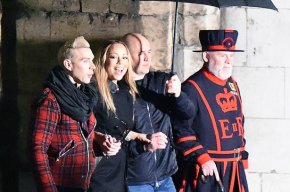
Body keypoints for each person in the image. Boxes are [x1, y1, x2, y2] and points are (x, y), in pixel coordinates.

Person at [173, 29, 249, 192]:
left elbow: (239, 121)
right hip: (208, 169)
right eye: (222, 56)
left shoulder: (232, 84)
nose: (229, 61)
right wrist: (202, 157)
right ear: (206, 56)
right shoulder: (191, 88)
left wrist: (243, 155)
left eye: (232, 56)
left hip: (235, 169)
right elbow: (180, 129)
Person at [123, 33, 194, 192]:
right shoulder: (118, 89)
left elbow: (188, 114)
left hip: (165, 175)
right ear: (126, 55)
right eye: (140, 53)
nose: (146, 57)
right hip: (136, 180)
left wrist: (178, 95)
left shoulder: (161, 81)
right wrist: (143, 147)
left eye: (148, 52)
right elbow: (117, 137)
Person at [32, 36, 98, 192]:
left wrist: (102, 144)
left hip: (83, 183)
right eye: (85, 61)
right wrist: (49, 189)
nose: (93, 67)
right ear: (68, 64)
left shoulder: (85, 95)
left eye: (92, 60)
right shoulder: (51, 99)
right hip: (61, 185)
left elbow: (82, 138)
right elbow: (38, 149)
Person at [88, 40, 151, 192]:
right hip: (98, 167)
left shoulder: (125, 93)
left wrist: (140, 136)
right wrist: (98, 137)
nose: (120, 63)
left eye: (124, 58)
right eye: (113, 57)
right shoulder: (92, 90)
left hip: (120, 167)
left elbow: (119, 129)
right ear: (103, 60)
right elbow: (79, 128)